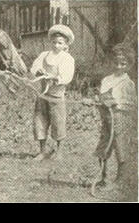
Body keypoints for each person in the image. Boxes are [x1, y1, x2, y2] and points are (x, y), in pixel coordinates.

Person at [85, 44, 137, 201]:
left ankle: (120, 181)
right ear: (112, 62)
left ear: (129, 65)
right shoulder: (106, 80)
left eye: (123, 64)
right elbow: (101, 98)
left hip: (121, 119)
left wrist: (116, 103)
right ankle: (104, 177)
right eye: (116, 62)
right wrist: (93, 100)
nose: (119, 66)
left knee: (120, 148)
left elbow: (132, 103)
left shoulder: (128, 84)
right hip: (107, 119)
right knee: (104, 146)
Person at [30, 24, 75, 161]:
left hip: (56, 96)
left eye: (60, 43)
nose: (56, 45)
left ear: (65, 44)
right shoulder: (44, 55)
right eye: (54, 42)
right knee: (40, 120)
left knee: (58, 122)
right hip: (42, 94)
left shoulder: (66, 58)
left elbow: (67, 76)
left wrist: (55, 78)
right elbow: (34, 68)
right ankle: (42, 151)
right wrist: (39, 71)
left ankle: (59, 151)